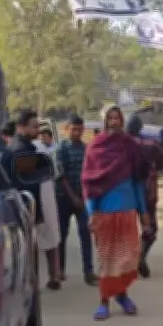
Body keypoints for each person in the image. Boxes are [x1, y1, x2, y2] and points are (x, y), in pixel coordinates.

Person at [81, 105, 151, 321]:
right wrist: (91, 212)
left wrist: (143, 210)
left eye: (117, 118)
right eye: (110, 118)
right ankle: (104, 301)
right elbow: (89, 183)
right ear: (104, 122)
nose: (114, 122)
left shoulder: (130, 146)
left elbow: (138, 181)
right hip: (104, 212)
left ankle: (122, 296)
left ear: (122, 120)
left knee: (126, 259)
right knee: (107, 260)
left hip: (127, 210)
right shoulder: (95, 147)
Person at [0, 109, 62, 290]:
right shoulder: (22, 151)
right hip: (25, 207)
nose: (37, 130)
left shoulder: (19, 148)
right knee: (28, 249)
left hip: (18, 206)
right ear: (21, 127)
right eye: (34, 127)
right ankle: (30, 285)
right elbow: (28, 184)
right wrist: (37, 212)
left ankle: (33, 282)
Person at [55, 114, 97, 286]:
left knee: (85, 233)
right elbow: (61, 175)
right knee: (61, 234)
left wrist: (85, 197)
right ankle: (59, 270)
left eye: (80, 130)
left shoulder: (86, 149)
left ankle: (88, 271)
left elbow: (90, 173)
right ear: (67, 129)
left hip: (82, 198)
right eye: (73, 129)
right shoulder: (61, 148)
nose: (76, 133)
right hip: (64, 198)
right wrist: (73, 197)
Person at [125, 115, 163, 278]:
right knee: (150, 228)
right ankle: (141, 255)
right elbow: (162, 163)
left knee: (126, 228)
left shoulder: (120, 145)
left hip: (126, 194)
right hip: (148, 193)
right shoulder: (153, 144)